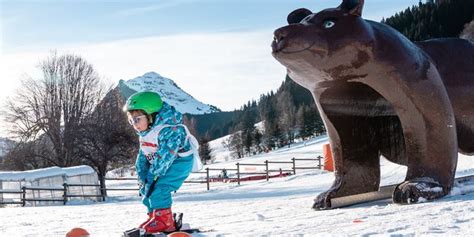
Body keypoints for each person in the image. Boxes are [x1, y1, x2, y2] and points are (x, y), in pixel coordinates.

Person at [124, 91, 195, 233]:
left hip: (179, 162)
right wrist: (143, 173)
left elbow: (166, 155)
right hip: (160, 164)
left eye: (137, 119)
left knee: (160, 188)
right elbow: (143, 154)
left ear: (150, 116)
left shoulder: (169, 130)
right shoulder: (145, 132)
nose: (134, 124)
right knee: (147, 190)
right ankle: (154, 216)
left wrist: (153, 174)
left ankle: (164, 221)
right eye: (131, 120)